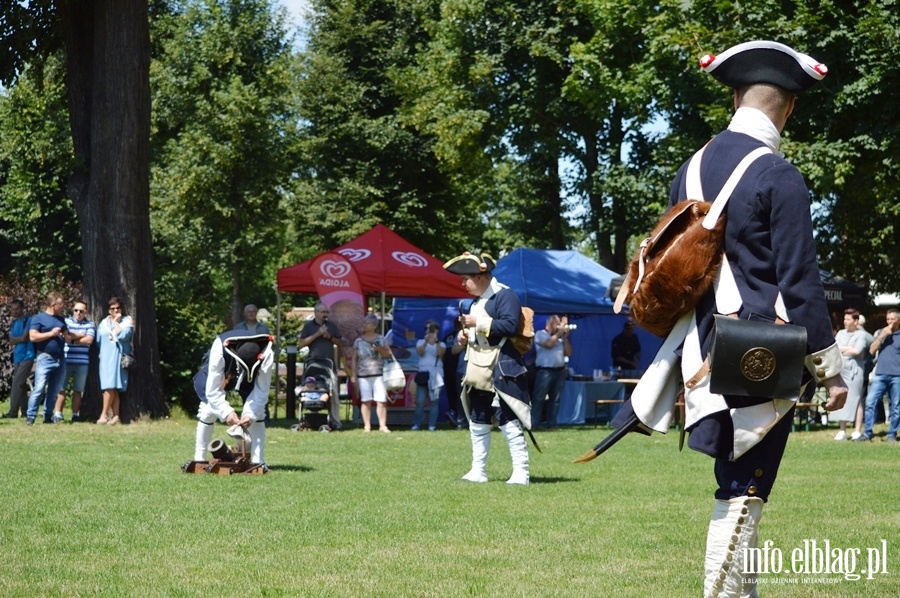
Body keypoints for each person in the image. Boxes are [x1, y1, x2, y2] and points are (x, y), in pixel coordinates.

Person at [608, 41, 847, 596]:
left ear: (736, 96)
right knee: (745, 489)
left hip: (700, 345)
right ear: (789, 107)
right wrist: (830, 369)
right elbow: (801, 283)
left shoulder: (688, 168)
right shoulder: (778, 174)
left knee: (738, 487)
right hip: (759, 348)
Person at [444, 251, 531, 485]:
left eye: (466, 279)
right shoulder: (475, 301)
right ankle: (478, 470)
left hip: (502, 365)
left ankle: (521, 472)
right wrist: (465, 336)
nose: (463, 283)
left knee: (508, 418)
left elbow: (511, 325)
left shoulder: (505, 295)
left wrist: (477, 323)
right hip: (477, 365)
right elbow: (482, 331)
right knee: (478, 417)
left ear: (480, 277)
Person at [192, 331, 273, 465]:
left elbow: (261, 390)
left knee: (259, 413)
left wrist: (250, 414)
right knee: (207, 410)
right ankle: (199, 458)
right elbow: (212, 391)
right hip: (222, 370)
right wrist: (227, 412)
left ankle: (258, 461)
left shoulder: (267, 354)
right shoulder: (219, 349)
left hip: (250, 376)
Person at [25, 292, 71, 425]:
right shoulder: (38, 318)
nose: (63, 306)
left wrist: (66, 335)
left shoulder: (61, 319)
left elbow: (68, 339)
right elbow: (33, 337)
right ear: (53, 305)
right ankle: (30, 416)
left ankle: (48, 416)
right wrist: (51, 333)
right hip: (45, 358)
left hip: (60, 359)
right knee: (39, 388)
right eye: (61, 304)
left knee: (54, 390)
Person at [856, 308, 900, 442]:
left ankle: (892, 434)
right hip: (880, 374)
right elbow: (871, 350)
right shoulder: (881, 332)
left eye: (893, 319)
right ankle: (867, 433)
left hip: (897, 375)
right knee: (870, 402)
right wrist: (882, 336)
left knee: (896, 406)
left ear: (899, 320)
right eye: (888, 319)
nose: (890, 322)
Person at [298, 302, 342, 429]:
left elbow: (340, 342)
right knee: (310, 390)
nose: (325, 314)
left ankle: (335, 421)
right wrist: (317, 334)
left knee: (332, 392)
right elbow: (301, 343)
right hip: (312, 363)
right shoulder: (308, 326)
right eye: (323, 312)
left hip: (329, 364)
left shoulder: (332, 326)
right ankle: (308, 418)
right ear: (316, 313)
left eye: (326, 312)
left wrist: (329, 337)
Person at [52, 300, 95, 423]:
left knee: (78, 390)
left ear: (86, 312)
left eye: (81, 311)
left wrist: (73, 339)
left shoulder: (90, 324)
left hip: (82, 362)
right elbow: (65, 336)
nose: (78, 313)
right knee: (61, 388)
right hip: (66, 360)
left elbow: (89, 341)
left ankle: (75, 414)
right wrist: (80, 335)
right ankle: (58, 414)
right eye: (76, 310)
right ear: (73, 310)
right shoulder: (66, 322)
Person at [351, 314, 393, 432]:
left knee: (381, 400)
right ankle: (367, 426)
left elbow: (389, 354)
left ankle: (383, 426)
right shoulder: (358, 341)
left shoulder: (381, 339)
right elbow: (354, 358)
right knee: (365, 400)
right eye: (364, 323)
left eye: (367, 323)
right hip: (363, 375)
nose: (364, 325)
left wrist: (380, 349)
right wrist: (353, 374)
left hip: (379, 374)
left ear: (374, 326)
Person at [96, 297, 134, 425]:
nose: (116, 310)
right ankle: (116, 416)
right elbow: (99, 339)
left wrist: (116, 323)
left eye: (118, 308)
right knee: (110, 386)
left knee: (111, 386)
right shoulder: (103, 323)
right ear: (108, 310)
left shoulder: (127, 321)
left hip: (118, 357)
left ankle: (104, 415)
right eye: (113, 308)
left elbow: (124, 335)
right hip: (106, 358)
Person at [830, 309, 867, 440]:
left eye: (848, 319)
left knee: (856, 399)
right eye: (844, 319)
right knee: (843, 396)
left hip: (855, 371)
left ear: (856, 321)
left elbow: (857, 351)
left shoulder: (861, 335)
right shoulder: (840, 333)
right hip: (842, 369)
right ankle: (842, 430)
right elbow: (835, 348)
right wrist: (847, 349)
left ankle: (857, 430)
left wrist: (843, 349)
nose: (845, 322)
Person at [531, 315, 571, 428]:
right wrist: (559, 333)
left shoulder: (559, 338)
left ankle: (552, 423)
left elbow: (568, 353)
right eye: (556, 324)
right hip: (545, 371)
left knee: (556, 399)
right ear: (549, 324)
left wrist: (565, 338)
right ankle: (534, 422)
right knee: (539, 397)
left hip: (560, 371)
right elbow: (548, 345)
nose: (559, 326)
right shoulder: (540, 334)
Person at [3, 298, 34, 419]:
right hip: (17, 356)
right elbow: (11, 341)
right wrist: (20, 339)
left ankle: (13, 411)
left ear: (22, 309)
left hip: (28, 355)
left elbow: (26, 337)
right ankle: (24, 411)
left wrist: (20, 339)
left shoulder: (28, 320)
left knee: (17, 382)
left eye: (17, 309)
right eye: (13, 309)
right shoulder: (14, 323)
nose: (14, 312)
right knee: (21, 384)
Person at [412, 319, 445, 431]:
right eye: (426, 328)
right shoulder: (420, 342)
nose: (427, 330)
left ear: (436, 330)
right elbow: (420, 352)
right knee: (420, 401)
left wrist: (435, 342)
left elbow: (441, 354)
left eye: (430, 328)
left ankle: (432, 425)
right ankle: (417, 424)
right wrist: (426, 342)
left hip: (436, 375)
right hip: (423, 373)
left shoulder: (441, 344)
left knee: (434, 401)